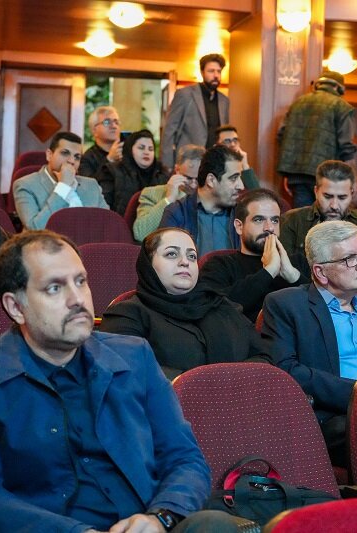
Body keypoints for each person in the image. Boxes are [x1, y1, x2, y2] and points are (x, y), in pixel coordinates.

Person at [0, 230, 244, 532]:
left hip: (146, 523)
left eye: (80, 281)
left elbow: (185, 459)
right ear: (16, 307)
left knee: (216, 526)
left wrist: (160, 518)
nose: (77, 299)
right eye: (54, 288)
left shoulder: (134, 356)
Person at [262, 221, 357, 464]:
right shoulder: (287, 305)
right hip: (337, 414)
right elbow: (287, 370)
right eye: (350, 259)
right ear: (320, 272)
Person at [101, 227, 271, 380]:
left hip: (237, 401)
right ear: (149, 264)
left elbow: (264, 357)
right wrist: (202, 386)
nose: (185, 262)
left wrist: (237, 383)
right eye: (171, 254)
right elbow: (128, 371)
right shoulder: (127, 314)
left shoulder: (221, 306)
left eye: (192, 256)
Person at [199, 188, 309, 322]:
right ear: (239, 226)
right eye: (259, 220)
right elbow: (214, 307)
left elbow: (323, 307)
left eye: (275, 220)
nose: (269, 227)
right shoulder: (220, 265)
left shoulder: (298, 262)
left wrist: (293, 276)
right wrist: (269, 272)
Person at [277, 70, 357, 208]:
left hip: (297, 174)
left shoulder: (297, 104)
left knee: (304, 215)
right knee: (327, 214)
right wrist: (353, 179)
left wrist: (288, 173)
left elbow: (281, 134)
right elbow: (347, 146)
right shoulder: (342, 106)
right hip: (327, 174)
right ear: (337, 87)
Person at [159, 144, 244, 255]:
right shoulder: (177, 213)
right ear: (211, 180)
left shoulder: (241, 214)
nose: (241, 186)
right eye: (233, 178)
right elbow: (166, 259)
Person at [14, 131, 108, 230]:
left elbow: (108, 224)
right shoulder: (26, 185)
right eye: (65, 153)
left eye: (77, 157)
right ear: (49, 155)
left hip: (90, 238)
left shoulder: (91, 185)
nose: (72, 161)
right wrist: (63, 186)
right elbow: (36, 229)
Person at [279, 160, 357, 255]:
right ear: (316, 191)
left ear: (351, 194)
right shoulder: (292, 221)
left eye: (342, 197)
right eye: (327, 197)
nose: (334, 206)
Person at [160, 54, 229, 169]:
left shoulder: (224, 101)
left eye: (219, 71)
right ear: (202, 72)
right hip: (188, 161)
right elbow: (169, 130)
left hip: (214, 163)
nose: (216, 75)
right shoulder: (185, 95)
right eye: (211, 71)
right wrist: (166, 166)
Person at [133, 144, 204, 242]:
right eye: (188, 178)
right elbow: (141, 234)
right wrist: (169, 199)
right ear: (177, 170)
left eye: (198, 179)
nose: (193, 185)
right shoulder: (152, 194)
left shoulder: (212, 198)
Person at [98, 129, 168, 216]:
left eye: (150, 149)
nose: (146, 152)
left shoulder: (162, 175)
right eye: (141, 148)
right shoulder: (112, 172)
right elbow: (104, 209)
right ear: (130, 150)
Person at [78, 106, 123, 181]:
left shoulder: (127, 153)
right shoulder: (87, 158)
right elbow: (90, 185)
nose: (114, 126)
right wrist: (110, 160)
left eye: (116, 122)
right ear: (94, 130)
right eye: (107, 122)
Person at [215, 124, 259, 189]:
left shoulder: (240, 166)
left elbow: (257, 192)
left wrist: (245, 165)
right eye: (227, 141)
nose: (232, 144)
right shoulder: (213, 166)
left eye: (235, 140)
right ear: (217, 146)